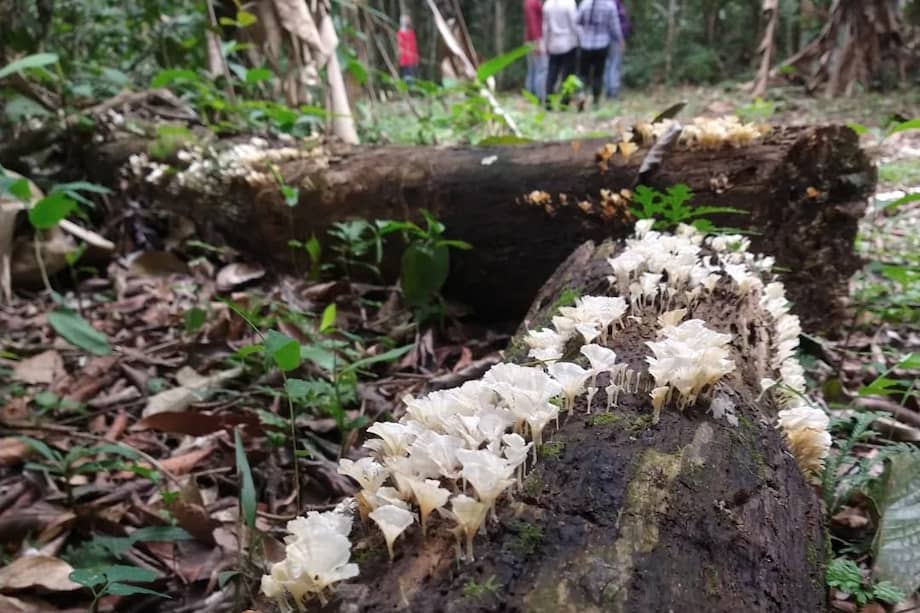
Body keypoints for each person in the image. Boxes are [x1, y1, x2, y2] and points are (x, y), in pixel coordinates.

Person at [576, 0, 623, 107]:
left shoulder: (585, 3)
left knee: (583, 74)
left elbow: (578, 21)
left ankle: (582, 94)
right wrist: (620, 40)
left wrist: (582, 35)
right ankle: (596, 101)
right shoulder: (609, 5)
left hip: (585, 44)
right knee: (598, 74)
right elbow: (614, 26)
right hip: (601, 44)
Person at [542, 0, 579, 108]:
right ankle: (565, 102)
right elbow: (574, 23)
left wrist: (545, 43)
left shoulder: (548, 4)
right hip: (568, 43)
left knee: (552, 74)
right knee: (567, 75)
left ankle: (548, 102)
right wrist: (578, 38)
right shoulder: (569, 3)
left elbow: (545, 27)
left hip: (553, 43)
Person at [603, 0, 629, 99]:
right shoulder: (614, 4)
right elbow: (615, 24)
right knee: (614, 65)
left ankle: (608, 91)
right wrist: (621, 39)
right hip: (613, 39)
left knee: (607, 65)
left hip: (604, 39)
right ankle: (613, 92)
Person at [523, 0, 547, 102]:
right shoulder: (532, 3)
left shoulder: (529, 2)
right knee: (541, 70)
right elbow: (533, 23)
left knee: (532, 70)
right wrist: (537, 42)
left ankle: (530, 96)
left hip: (529, 40)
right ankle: (539, 97)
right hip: (535, 40)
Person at [397, 14, 419, 83]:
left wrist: (416, 58)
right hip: (405, 61)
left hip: (413, 60)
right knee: (407, 78)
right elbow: (401, 48)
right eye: (405, 21)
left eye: (408, 21)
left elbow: (414, 46)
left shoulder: (411, 33)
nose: (407, 22)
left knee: (415, 78)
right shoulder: (400, 34)